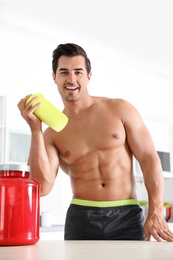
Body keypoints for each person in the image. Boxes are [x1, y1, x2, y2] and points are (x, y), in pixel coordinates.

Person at [18, 43, 173, 242]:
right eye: (64, 72)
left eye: (78, 72)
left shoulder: (120, 109)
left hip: (126, 217)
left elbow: (149, 159)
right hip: (81, 218)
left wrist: (156, 212)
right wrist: (35, 130)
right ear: (54, 77)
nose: (71, 79)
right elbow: (42, 187)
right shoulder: (52, 133)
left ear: (89, 76)